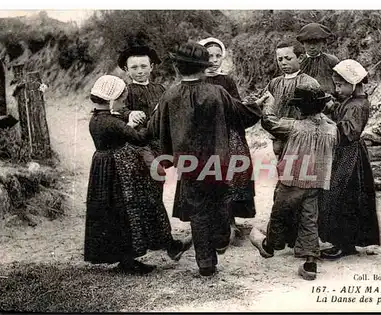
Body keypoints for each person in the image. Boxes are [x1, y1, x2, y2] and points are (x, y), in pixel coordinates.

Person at [150, 42, 263, 277]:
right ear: (204, 67)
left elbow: (156, 128)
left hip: (188, 164)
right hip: (218, 162)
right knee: (221, 203)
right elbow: (241, 115)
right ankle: (221, 239)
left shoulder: (169, 94)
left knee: (198, 213)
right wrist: (258, 107)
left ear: (178, 68)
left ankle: (205, 262)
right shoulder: (217, 93)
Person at [84, 75, 191, 274]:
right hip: (118, 169)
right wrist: (156, 118)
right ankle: (130, 259)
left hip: (103, 167)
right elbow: (141, 138)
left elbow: (118, 131)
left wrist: (128, 126)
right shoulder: (112, 122)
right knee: (128, 209)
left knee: (115, 211)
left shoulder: (97, 119)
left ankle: (132, 255)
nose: (124, 101)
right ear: (112, 99)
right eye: (122, 98)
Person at [250, 83, 338, 280]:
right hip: (316, 181)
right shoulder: (332, 130)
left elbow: (269, 122)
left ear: (298, 108)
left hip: (292, 179)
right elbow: (330, 128)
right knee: (309, 219)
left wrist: (270, 103)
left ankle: (269, 246)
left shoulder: (294, 127)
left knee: (279, 213)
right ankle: (310, 263)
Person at [319, 59, 380, 260]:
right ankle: (343, 241)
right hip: (344, 154)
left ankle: (344, 244)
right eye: (336, 84)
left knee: (343, 196)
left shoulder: (358, 105)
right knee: (341, 197)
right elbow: (340, 113)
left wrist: (328, 124)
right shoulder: (351, 102)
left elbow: (348, 132)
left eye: (341, 85)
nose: (338, 88)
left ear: (354, 84)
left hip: (350, 157)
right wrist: (331, 106)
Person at [197, 37, 256, 243]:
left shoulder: (227, 80)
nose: (213, 60)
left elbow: (235, 105)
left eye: (217, 56)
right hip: (205, 136)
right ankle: (209, 223)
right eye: (208, 56)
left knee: (232, 175)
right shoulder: (196, 81)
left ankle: (230, 221)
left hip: (228, 134)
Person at [264, 39, 320, 158]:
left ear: (300, 58)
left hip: (302, 136)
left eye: (288, 58)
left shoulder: (309, 82)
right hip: (278, 136)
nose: (283, 63)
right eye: (280, 59)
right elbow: (267, 106)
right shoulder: (274, 83)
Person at [117, 45, 166, 174]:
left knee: (158, 181)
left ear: (151, 67)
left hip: (158, 142)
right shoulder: (125, 91)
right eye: (134, 67)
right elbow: (118, 109)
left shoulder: (160, 89)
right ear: (126, 70)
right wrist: (130, 113)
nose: (139, 71)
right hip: (138, 143)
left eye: (144, 66)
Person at [297, 23, 340, 97]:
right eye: (308, 43)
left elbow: (340, 84)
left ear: (323, 43)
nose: (312, 47)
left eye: (316, 43)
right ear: (303, 43)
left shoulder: (332, 61)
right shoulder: (298, 63)